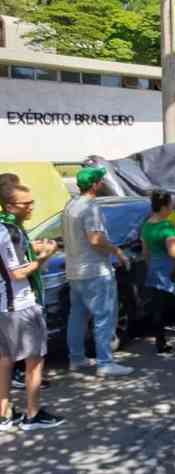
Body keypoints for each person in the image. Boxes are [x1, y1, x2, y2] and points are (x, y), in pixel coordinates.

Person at [0, 182, 63, 430]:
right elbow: (17, 272)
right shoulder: (11, 231)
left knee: (4, 360)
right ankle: (33, 414)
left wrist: (32, 250)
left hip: (3, 306)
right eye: (26, 204)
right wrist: (44, 256)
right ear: (10, 205)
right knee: (34, 361)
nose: (31, 208)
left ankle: (4, 414)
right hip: (21, 305)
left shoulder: (6, 228)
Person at [64, 168, 133, 377]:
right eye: (100, 180)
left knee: (77, 316)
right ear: (94, 185)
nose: (102, 183)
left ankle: (77, 359)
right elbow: (95, 238)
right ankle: (105, 363)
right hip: (95, 270)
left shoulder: (71, 205)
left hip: (75, 270)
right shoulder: (91, 207)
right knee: (104, 316)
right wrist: (117, 251)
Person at [141, 190, 175, 354]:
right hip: (170, 273)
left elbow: (145, 252)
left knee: (157, 310)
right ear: (165, 206)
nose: (172, 207)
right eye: (171, 204)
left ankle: (160, 342)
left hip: (154, 272)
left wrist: (150, 266)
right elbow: (173, 252)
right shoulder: (167, 226)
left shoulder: (147, 225)